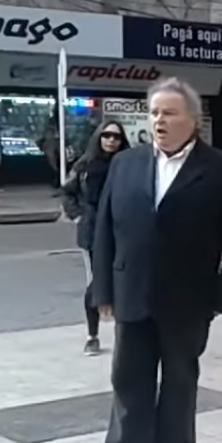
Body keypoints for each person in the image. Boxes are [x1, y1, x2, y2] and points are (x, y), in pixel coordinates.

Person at [90, 78, 222, 443]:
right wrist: (103, 288)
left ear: (193, 120)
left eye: (169, 112)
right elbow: (104, 230)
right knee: (129, 379)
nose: (159, 120)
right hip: (132, 291)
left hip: (189, 297)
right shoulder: (126, 164)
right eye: (155, 112)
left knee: (180, 379)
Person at [62, 120, 131, 356]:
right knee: (96, 283)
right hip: (93, 233)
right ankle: (92, 335)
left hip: (123, 231)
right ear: (98, 137)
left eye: (116, 137)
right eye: (107, 135)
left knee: (125, 282)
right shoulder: (85, 165)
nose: (111, 140)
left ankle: (126, 335)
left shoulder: (130, 165)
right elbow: (68, 193)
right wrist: (78, 216)